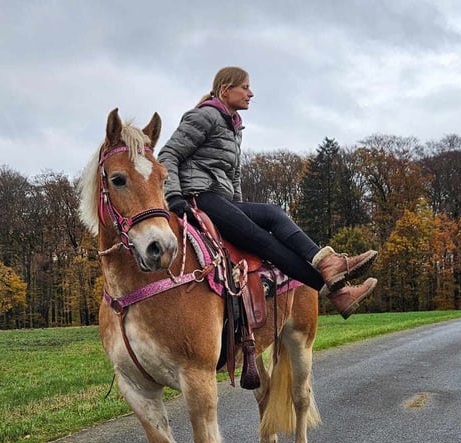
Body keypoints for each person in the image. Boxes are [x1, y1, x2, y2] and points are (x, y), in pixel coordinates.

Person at [157, 66, 378, 319]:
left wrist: (238, 209)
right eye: (245, 87)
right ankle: (336, 288)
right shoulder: (204, 117)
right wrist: (174, 197)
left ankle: (326, 263)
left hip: (220, 200)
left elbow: (233, 176)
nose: (250, 93)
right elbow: (168, 155)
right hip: (199, 198)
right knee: (264, 241)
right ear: (225, 90)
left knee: (273, 213)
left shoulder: (233, 127)